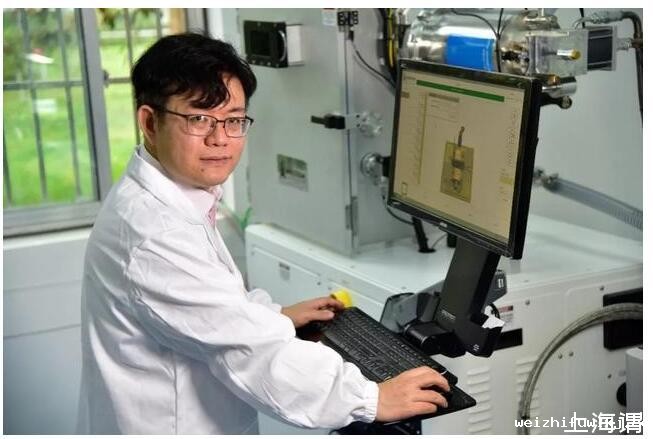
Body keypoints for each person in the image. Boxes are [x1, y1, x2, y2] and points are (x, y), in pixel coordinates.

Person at [77, 32, 450, 434]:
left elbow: (213, 306)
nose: (220, 139)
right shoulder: (155, 233)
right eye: (199, 119)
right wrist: (371, 398)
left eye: (234, 120)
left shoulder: (172, 196)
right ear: (150, 122)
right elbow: (253, 356)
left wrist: (275, 318)